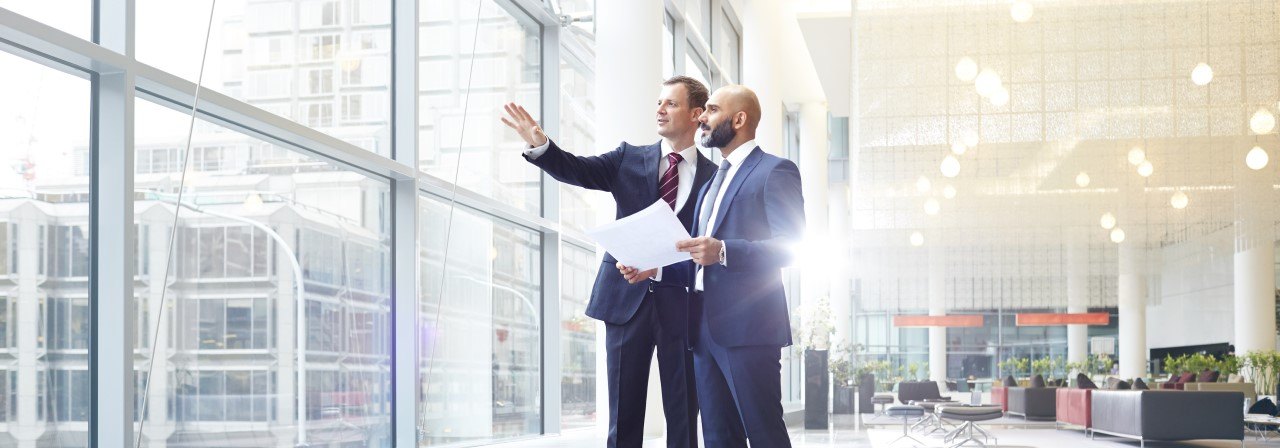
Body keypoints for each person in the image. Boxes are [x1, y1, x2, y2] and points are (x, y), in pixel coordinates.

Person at [501, 76, 715, 448]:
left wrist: (662, 267)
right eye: (659, 102)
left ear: (696, 114)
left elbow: (705, 249)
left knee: (683, 415)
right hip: (624, 301)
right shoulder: (628, 158)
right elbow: (578, 170)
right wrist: (541, 145)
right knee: (622, 415)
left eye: (671, 104)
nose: (660, 109)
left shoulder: (714, 179)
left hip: (682, 305)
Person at [673, 84, 805, 447]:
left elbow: (791, 247)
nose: (701, 116)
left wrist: (725, 251)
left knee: (764, 433)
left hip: (749, 330)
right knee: (717, 436)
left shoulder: (775, 171)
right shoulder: (711, 183)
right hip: (702, 327)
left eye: (711, 110)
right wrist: (654, 269)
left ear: (739, 119)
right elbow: (699, 256)